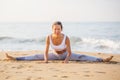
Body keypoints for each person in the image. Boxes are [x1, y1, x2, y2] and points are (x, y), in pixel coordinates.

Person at [5, 21, 113, 63]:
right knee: (36, 56)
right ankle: (16, 58)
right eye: (55, 29)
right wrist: (46, 60)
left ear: (61, 29)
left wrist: (66, 60)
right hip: (54, 55)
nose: (57, 30)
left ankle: (102, 59)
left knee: (82, 56)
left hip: (66, 55)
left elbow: (70, 53)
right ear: (52, 29)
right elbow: (46, 51)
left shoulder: (66, 37)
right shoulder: (48, 37)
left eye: (59, 29)